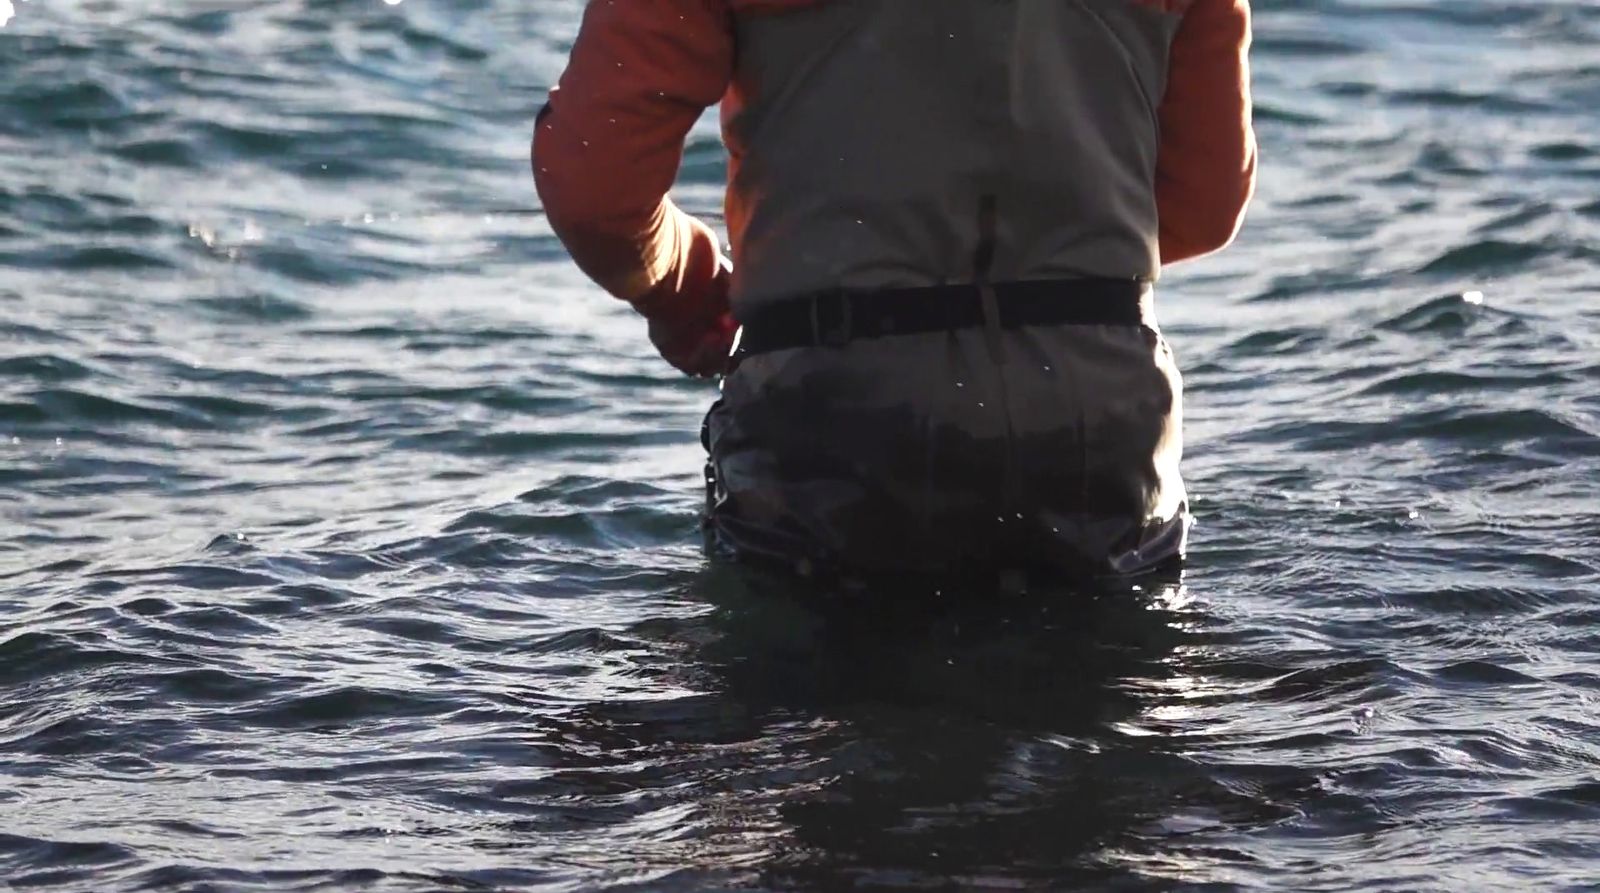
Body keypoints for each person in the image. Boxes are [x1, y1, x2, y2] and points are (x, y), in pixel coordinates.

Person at [533, 0, 1255, 584]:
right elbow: (1202, 205)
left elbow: (596, 189)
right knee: (1110, 731)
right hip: (1101, 420)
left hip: (840, 413)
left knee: (795, 735)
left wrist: (689, 292)